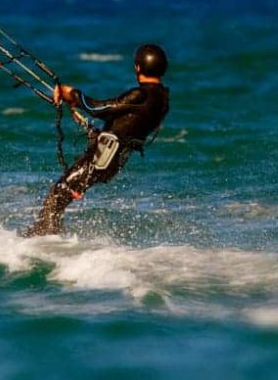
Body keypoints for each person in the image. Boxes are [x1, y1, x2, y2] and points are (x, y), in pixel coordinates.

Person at [23, 44, 170, 236]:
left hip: (101, 159)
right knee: (62, 194)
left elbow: (98, 109)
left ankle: (43, 238)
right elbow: (129, 123)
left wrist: (73, 94)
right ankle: (48, 234)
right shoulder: (162, 99)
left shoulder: (140, 95)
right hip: (112, 159)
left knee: (59, 192)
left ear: (138, 68)